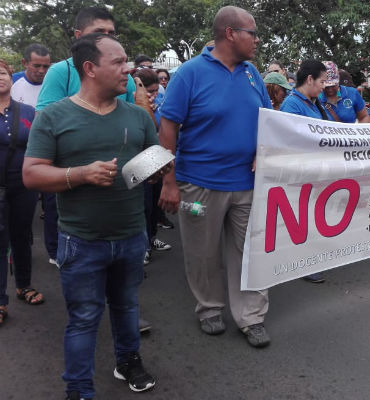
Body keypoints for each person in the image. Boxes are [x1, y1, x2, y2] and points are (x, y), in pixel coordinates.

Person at [23, 33, 163, 400]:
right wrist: (81, 174)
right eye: (118, 62)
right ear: (90, 68)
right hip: (80, 241)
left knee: (127, 306)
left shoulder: (137, 115)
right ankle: (79, 388)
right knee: (84, 318)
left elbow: (145, 167)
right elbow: (32, 174)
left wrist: (160, 169)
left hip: (132, 235)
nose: (128, 68)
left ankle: (128, 361)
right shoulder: (53, 115)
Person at [158, 6, 273, 348]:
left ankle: (251, 317)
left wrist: (261, 151)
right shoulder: (189, 74)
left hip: (247, 184)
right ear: (230, 33)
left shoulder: (253, 73)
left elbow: (267, 118)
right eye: (252, 33)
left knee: (251, 252)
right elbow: (167, 126)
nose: (256, 40)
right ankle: (209, 308)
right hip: (199, 185)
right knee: (202, 252)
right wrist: (169, 180)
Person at [35, 6, 137, 273]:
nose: (107, 37)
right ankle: (62, 256)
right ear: (79, 36)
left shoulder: (123, 77)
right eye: (98, 32)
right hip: (69, 176)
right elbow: (43, 118)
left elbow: (135, 120)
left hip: (118, 181)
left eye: (111, 33)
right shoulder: (60, 72)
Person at [0, 59, 42, 328]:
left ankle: (23, 285)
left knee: (22, 236)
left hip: (24, 185)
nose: (0, 78)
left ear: (11, 78)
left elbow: (39, 145)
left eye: (2, 73)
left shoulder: (27, 111)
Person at [279, 59, 329, 283]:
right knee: (301, 218)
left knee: (310, 216)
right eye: (322, 81)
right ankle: (300, 264)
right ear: (310, 79)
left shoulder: (313, 102)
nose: (324, 86)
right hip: (300, 171)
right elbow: (289, 140)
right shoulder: (292, 105)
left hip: (314, 169)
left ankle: (307, 259)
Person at [132, 68, 171, 265]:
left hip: (155, 157)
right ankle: (143, 246)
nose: (154, 94)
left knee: (155, 202)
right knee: (143, 205)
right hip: (138, 160)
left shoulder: (158, 105)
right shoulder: (131, 105)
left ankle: (152, 237)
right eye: (151, 90)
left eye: (157, 90)